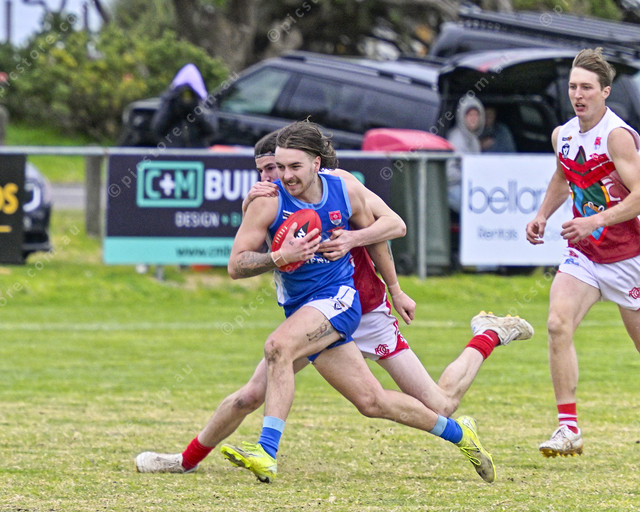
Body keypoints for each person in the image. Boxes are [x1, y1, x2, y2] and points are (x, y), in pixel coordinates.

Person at [135, 121, 532, 484]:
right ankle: (186, 460)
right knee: (306, 397)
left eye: (279, 167)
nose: (273, 178)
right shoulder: (269, 200)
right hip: (310, 313)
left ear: (313, 163)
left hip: (364, 307)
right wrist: (266, 235)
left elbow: (392, 227)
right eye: (266, 170)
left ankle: (487, 335)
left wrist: (389, 282)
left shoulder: (341, 186)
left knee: (438, 403)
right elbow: (241, 261)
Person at [525, 48, 640, 458]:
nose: (578, 95)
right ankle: (568, 428)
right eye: (573, 87)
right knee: (557, 325)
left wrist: (596, 220)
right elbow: (563, 177)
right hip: (585, 256)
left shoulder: (616, 136)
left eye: (587, 87)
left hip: (629, 257)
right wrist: (542, 214)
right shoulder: (563, 134)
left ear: (605, 92)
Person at [151, 63, 217, 148]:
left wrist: (196, 111)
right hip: (173, 152)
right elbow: (158, 129)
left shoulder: (205, 103)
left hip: (197, 152)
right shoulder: (170, 102)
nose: (187, 98)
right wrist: (172, 106)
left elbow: (211, 131)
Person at [446, 96, 485, 215]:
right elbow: (449, 173)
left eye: (476, 115)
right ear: (462, 117)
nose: (473, 119)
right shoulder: (456, 139)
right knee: (473, 205)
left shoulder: (474, 140)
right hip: (452, 188)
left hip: (469, 186)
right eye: (469, 115)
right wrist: (468, 175)